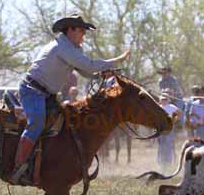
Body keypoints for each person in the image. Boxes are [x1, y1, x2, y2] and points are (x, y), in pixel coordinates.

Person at [11, 14, 130, 183]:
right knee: (37, 121)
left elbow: (86, 71)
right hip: (32, 91)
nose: (84, 34)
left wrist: (101, 74)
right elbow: (88, 66)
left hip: (46, 94)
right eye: (81, 30)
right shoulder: (64, 48)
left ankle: (49, 165)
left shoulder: (71, 49)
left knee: (66, 123)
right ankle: (19, 166)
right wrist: (116, 61)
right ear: (70, 30)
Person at [157, 93, 181, 170]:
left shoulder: (172, 107)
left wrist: (174, 120)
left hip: (169, 129)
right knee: (161, 146)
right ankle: (161, 163)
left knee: (168, 146)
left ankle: (168, 163)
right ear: (160, 100)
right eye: (162, 99)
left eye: (165, 99)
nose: (164, 101)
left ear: (168, 100)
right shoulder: (158, 107)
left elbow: (179, 114)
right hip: (160, 129)